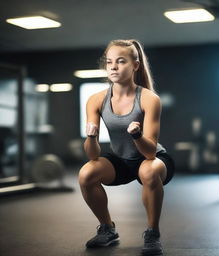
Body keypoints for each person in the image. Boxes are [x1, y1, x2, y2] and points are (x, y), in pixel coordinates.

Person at [78, 39, 175, 255]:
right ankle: (107, 229)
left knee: (148, 170)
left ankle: (153, 232)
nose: (113, 67)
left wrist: (137, 135)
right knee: (86, 174)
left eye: (120, 61)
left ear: (135, 65)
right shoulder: (95, 100)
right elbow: (93, 156)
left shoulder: (149, 99)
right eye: (109, 62)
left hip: (152, 158)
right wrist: (91, 137)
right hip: (120, 160)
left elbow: (150, 152)